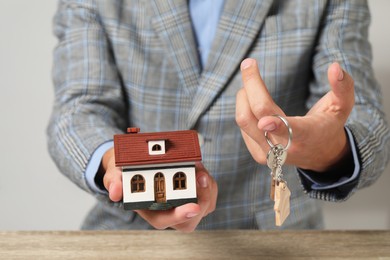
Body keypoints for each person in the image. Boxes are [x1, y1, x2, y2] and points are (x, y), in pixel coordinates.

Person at [48, 0, 389, 231]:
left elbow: (367, 120)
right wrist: (113, 162)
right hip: (127, 232)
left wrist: (332, 150)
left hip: (275, 234)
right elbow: (76, 110)